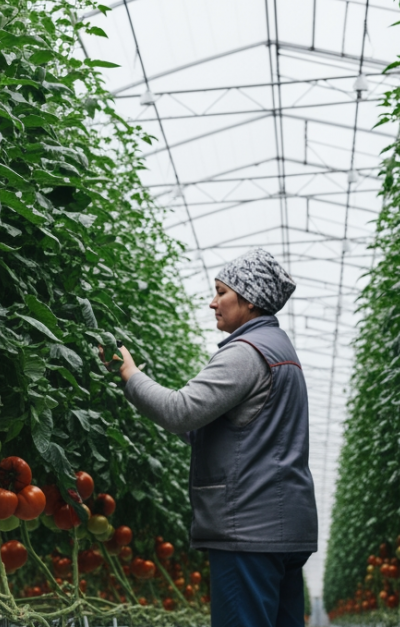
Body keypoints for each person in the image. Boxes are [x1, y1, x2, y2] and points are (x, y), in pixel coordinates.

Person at [112, 248, 316, 627]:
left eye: (221, 292)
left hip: (248, 531)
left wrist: (130, 375)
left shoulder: (246, 353)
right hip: (285, 530)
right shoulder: (281, 350)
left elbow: (180, 410)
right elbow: (227, 430)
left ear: (249, 299)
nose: (212, 302)